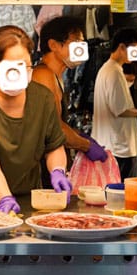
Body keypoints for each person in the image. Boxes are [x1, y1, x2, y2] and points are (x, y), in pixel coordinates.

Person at [0, 25, 71, 213]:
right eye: (10, 67)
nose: (17, 73)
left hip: (27, 197)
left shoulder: (43, 98)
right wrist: (4, 198)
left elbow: (54, 145)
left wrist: (58, 170)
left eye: (23, 65)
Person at [31, 15, 108, 174]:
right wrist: (86, 145)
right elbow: (53, 127)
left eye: (82, 43)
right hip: (41, 166)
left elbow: (57, 121)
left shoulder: (56, 76)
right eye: (75, 43)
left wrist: (79, 136)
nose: (80, 48)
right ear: (53, 45)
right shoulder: (43, 75)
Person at [91, 28, 137, 180]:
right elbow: (120, 109)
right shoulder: (114, 71)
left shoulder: (108, 70)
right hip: (119, 147)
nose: (136, 54)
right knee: (121, 192)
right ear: (121, 47)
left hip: (114, 144)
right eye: (134, 49)